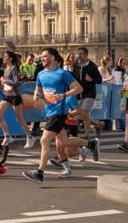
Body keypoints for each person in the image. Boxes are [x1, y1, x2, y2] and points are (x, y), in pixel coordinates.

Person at [23, 47, 93, 183]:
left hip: (59, 112)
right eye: (41, 57)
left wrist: (64, 95)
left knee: (44, 141)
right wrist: (36, 96)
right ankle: (90, 144)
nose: (42, 58)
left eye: (45, 56)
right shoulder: (41, 74)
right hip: (49, 112)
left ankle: (40, 173)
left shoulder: (62, 73)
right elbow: (38, 90)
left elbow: (79, 88)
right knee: (64, 142)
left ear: (53, 58)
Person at [0, 50, 27, 146]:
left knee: (19, 119)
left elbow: (16, 83)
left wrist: (5, 81)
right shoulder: (6, 69)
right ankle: (7, 136)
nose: (3, 58)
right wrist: (3, 81)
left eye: (5, 56)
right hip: (6, 95)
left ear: (10, 58)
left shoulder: (13, 68)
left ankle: (29, 136)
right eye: (3, 56)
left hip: (15, 96)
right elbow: (7, 82)